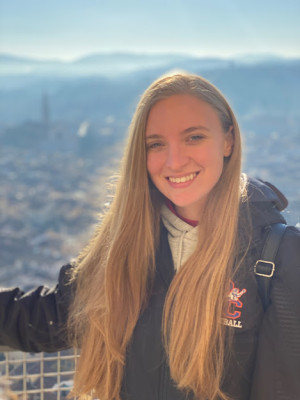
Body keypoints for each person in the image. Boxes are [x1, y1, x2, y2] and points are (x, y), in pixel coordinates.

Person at [0, 72, 300, 400]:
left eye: (194, 137)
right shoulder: (122, 247)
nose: (173, 160)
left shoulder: (279, 257)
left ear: (228, 140)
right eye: (156, 144)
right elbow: (48, 319)